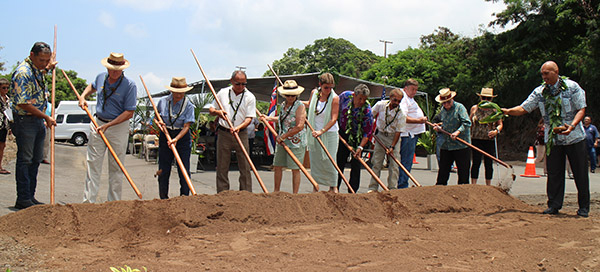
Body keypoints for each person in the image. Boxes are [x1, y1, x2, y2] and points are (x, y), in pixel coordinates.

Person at [502, 61, 589, 217]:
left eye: (546, 73)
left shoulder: (572, 87)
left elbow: (581, 109)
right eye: (542, 74)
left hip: (574, 137)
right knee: (554, 174)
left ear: (556, 72)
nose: (544, 77)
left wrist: (572, 125)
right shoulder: (540, 91)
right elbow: (524, 108)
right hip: (553, 139)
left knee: (580, 173)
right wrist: (507, 111)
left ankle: (583, 207)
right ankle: (554, 205)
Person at [79, 52, 137, 203]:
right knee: (93, 164)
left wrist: (109, 125)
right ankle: (88, 202)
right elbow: (91, 86)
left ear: (123, 69)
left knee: (116, 166)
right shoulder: (100, 77)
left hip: (117, 127)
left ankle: (113, 203)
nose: (114, 72)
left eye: (118, 69)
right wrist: (83, 97)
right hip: (98, 122)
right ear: (107, 67)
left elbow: (129, 112)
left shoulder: (130, 85)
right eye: (112, 68)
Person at [10, 42, 57, 209]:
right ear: (32, 55)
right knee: (26, 159)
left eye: (47, 60)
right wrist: (46, 117)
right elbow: (23, 103)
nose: (44, 63)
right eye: (41, 60)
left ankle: (30, 195)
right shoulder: (23, 73)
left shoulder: (36, 70)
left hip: (37, 121)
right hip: (26, 121)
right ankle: (23, 197)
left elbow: (41, 71)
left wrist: (48, 68)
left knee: (36, 159)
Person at [209, 70, 256, 193]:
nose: (241, 87)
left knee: (245, 165)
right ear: (231, 81)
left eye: (243, 84)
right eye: (238, 84)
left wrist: (239, 127)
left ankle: (245, 193)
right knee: (222, 165)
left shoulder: (249, 97)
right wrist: (218, 112)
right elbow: (211, 109)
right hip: (224, 132)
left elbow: (249, 118)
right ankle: (223, 193)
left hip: (241, 133)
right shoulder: (223, 93)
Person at [262, 80, 306, 193]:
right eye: (288, 95)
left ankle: (295, 194)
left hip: (295, 142)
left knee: (295, 168)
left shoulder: (300, 106)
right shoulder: (283, 105)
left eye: (293, 95)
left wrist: (285, 136)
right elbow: (282, 118)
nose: (290, 97)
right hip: (282, 140)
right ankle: (276, 191)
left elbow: (299, 126)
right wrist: (268, 118)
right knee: (277, 165)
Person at [155, 77, 195, 199]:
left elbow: (186, 126)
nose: (179, 95)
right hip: (165, 134)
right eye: (176, 92)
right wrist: (159, 124)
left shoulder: (188, 105)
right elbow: (156, 118)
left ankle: (184, 197)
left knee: (183, 169)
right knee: (164, 168)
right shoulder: (163, 102)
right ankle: (163, 197)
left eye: (182, 92)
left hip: (181, 137)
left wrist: (176, 139)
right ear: (171, 91)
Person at [305, 73, 340, 193]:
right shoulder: (314, 93)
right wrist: (296, 101)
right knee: (315, 160)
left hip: (329, 133)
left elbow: (334, 118)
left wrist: (322, 131)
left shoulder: (335, 98)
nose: (329, 90)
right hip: (314, 132)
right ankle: (316, 185)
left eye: (331, 87)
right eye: (326, 87)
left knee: (330, 160)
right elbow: (309, 105)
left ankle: (333, 186)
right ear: (320, 85)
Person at [336, 84, 374, 193]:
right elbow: (334, 107)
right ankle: (335, 187)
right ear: (354, 95)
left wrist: (360, 147)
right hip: (343, 133)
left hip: (358, 137)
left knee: (356, 163)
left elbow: (367, 133)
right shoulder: (344, 97)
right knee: (340, 161)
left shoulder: (367, 112)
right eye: (360, 98)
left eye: (364, 99)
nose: (361, 101)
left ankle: (352, 191)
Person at [367, 88, 406, 192]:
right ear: (390, 98)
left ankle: (392, 188)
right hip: (380, 136)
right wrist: (370, 131)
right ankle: (373, 187)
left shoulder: (401, 114)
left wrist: (392, 147)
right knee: (377, 163)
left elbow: (398, 132)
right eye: (395, 100)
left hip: (394, 138)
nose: (396, 103)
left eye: (399, 101)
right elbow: (371, 116)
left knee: (394, 165)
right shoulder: (380, 105)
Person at [432, 88, 471, 186]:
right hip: (447, 145)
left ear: (452, 99)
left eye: (448, 102)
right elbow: (445, 124)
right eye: (444, 103)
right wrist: (439, 128)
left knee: (463, 172)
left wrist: (457, 132)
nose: (446, 105)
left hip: (460, 144)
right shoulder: (443, 110)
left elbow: (466, 123)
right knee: (443, 171)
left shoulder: (459, 108)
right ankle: (439, 190)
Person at [397, 79, 428, 188]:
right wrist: (419, 120)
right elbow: (403, 117)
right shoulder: (404, 99)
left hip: (412, 134)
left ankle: (403, 182)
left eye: (416, 90)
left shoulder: (410, 99)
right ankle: (402, 184)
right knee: (406, 160)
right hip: (408, 134)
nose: (414, 92)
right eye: (412, 89)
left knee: (407, 160)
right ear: (406, 88)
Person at [469, 88, 503, 185]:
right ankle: (473, 184)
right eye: (484, 98)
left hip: (489, 139)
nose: (486, 100)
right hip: (476, 138)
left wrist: (496, 131)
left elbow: (500, 124)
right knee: (476, 162)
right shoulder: (475, 108)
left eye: (488, 98)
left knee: (488, 163)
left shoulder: (495, 109)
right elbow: (469, 122)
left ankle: (488, 184)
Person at [0, 78, 12, 175]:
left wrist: (10, 126)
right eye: (4, 88)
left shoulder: (7, 99)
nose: (6, 90)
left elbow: (8, 112)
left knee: (2, 146)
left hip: (4, 126)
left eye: (7, 88)